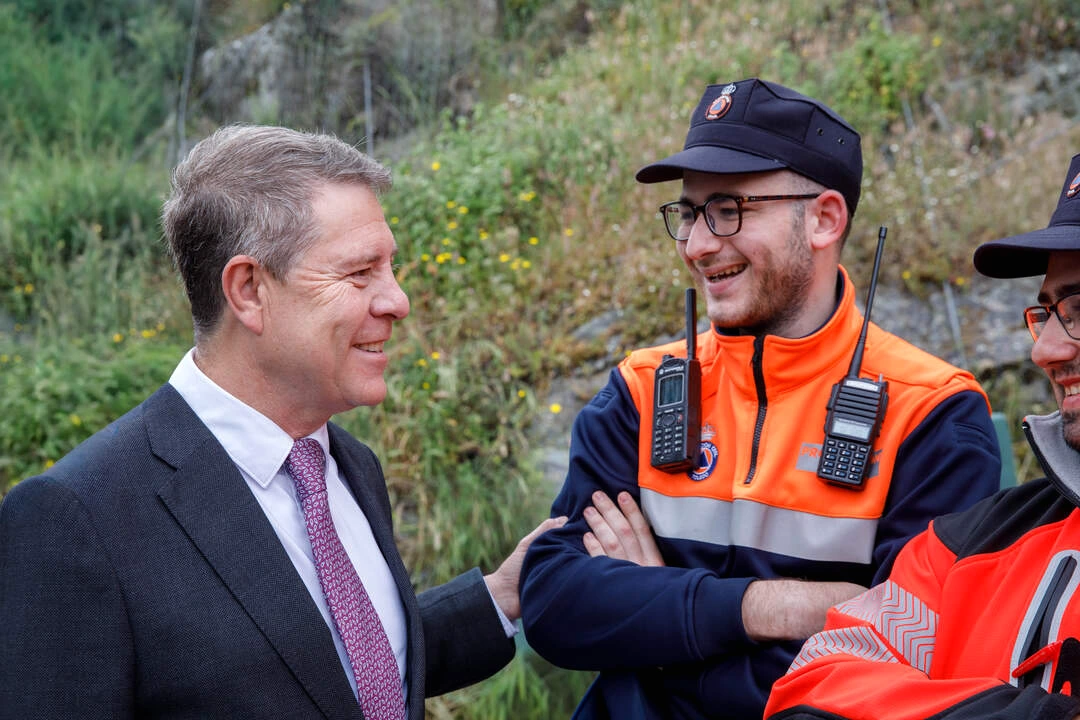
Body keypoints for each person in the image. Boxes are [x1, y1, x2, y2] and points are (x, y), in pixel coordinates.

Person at [0, 125, 563, 720]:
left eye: (391, 268)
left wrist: (503, 595)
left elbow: (334, 670)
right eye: (359, 273)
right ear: (248, 291)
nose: (397, 301)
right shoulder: (75, 517)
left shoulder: (352, 467)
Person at [519, 78, 1002, 719]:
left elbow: (913, 652)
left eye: (729, 209)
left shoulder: (933, 415)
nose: (696, 245)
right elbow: (552, 604)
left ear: (825, 218)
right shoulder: (636, 391)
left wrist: (656, 621)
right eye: (689, 213)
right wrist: (769, 608)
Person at [764, 153, 1080, 719]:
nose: (1044, 350)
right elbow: (810, 688)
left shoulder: (938, 411)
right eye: (1049, 313)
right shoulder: (960, 548)